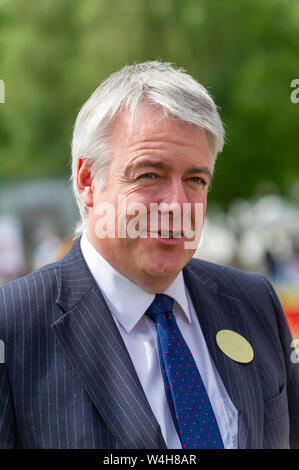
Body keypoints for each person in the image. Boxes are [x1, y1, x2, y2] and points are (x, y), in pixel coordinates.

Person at [0, 61, 298, 449]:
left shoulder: (254, 302)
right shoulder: (14, 326)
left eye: (195, 180)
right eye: (149, 175)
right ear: (89, 180)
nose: (177, 204)